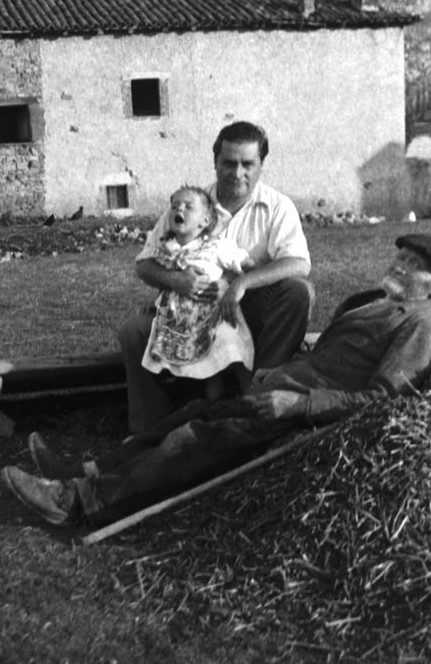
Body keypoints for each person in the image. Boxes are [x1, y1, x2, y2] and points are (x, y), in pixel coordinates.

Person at [1, 233, 431, 529]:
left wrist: (299, 406)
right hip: (276, 392)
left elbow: (385, 400)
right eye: (401, 256)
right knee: (188, 417)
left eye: (415, 264)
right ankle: (82, 471)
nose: (400, 264)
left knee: (193, 440)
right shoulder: (374, 303)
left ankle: (77, 502)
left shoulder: (424, 326)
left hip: (296, 415)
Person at [119, 121, 314, 433]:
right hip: (192, 307)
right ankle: (151, 429)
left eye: (248, 164)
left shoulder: (277, 206)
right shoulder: (190, 203)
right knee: (134, 331)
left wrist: (242, 283)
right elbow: (144, 264)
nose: (238, 173)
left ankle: (258, 391)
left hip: (252, 308)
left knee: (298, 291)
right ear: (215, 162)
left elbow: (298, 263)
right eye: (229, 163)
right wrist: (177, 280)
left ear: (261, 164)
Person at [141, 185, 257, 404]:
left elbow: (240, 260)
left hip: (213, 315)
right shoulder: (166, 248)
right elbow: (152, 271)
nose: (179, 209)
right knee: (192, 371)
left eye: (188, 207)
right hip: (179, 321)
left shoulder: (215, 246)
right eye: (175, 206)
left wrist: (247, 265)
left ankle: (246, 391)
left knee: (226, 350)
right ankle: (194, 403)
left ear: (204, 222)